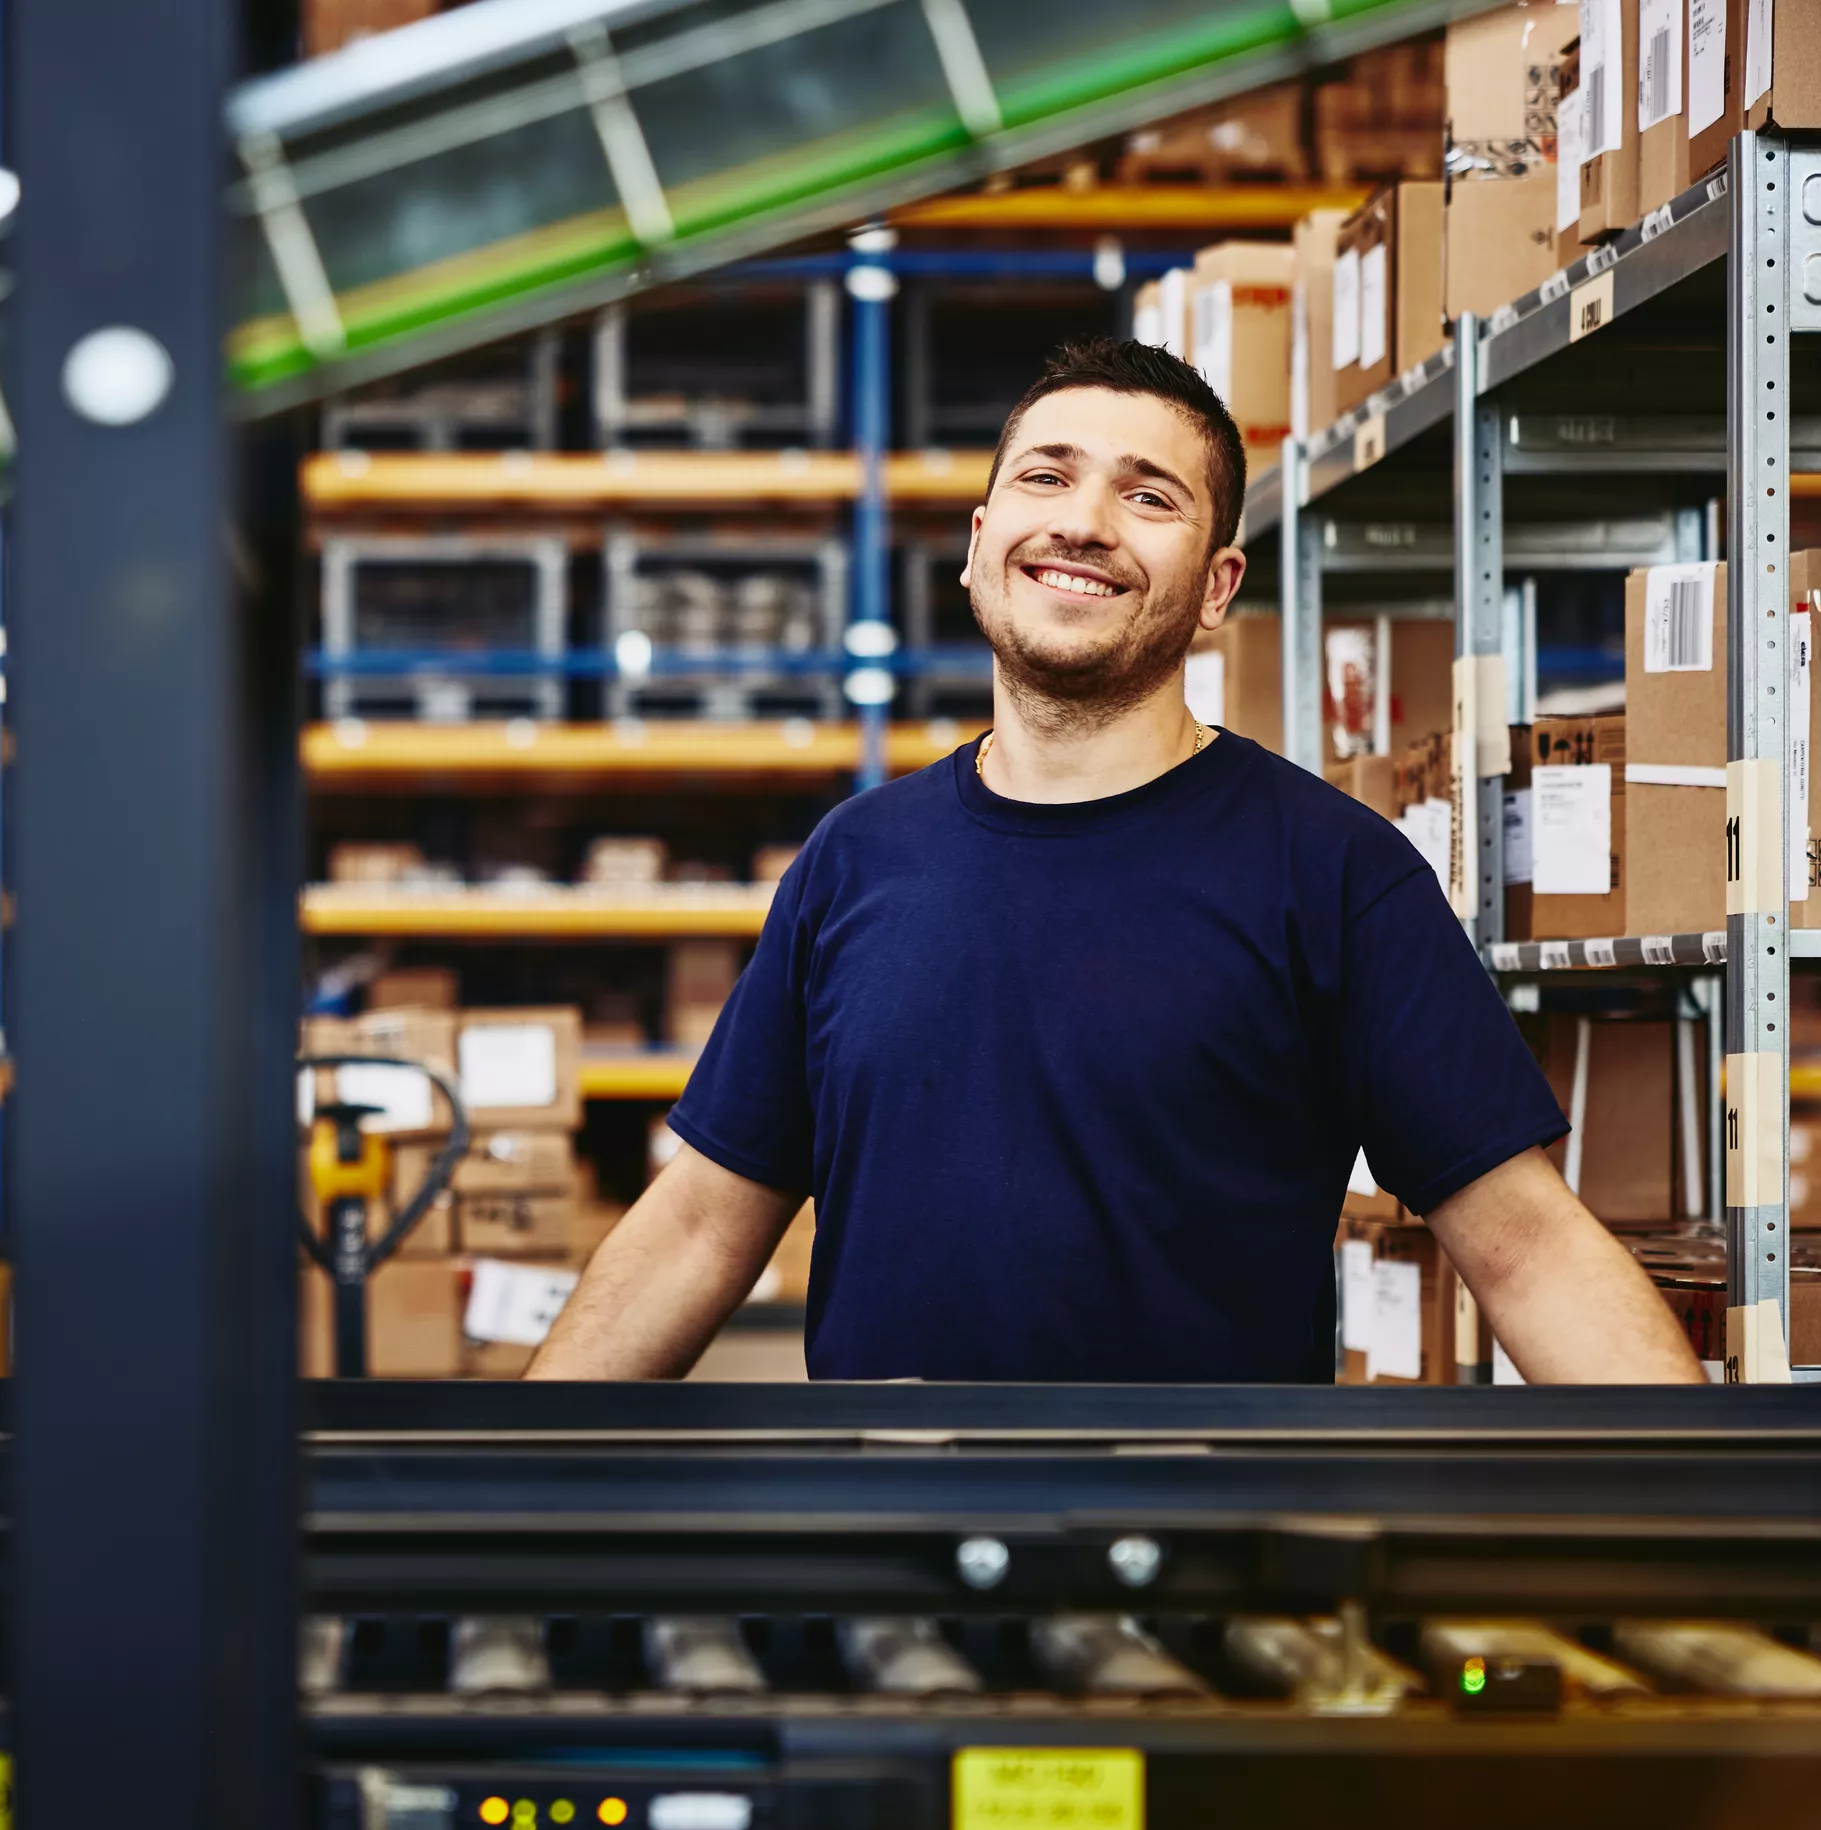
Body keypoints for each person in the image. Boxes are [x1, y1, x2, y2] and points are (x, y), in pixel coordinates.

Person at [530, 338, 1700, 1385]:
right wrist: (515, 1493)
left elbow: (1526, 1248)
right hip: (885, 1560)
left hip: (1206, 1578)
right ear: (979, 542)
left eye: (1147, 496)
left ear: (1215, 589)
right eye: (1043, 476)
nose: (1081, 521)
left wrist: (1709, 1529)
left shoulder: (1331, 870)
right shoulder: (855, 861)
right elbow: (695, 1222)